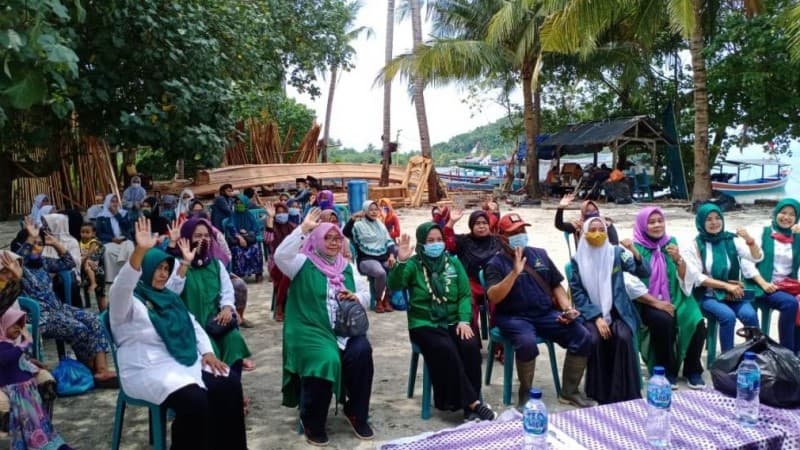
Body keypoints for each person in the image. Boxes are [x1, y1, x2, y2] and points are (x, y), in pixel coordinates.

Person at [109, 217, 247, 450]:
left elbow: (193, 325)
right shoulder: (128, 302)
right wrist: (140, 253)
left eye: (166, 269)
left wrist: (207, 352)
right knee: (195, 401)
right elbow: (122, 285)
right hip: (146, 368)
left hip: (180, 361)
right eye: (157, 269)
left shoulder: (169, 298)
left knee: (229, 383)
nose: (163, 274)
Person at [274, 209, 375, 446]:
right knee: (326, 359)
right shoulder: (301, 263)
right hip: (310, 329)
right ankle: (313, 421)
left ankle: (356, 412)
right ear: (317, 240)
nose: (333, 243)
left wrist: (358, 298)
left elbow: (367, 293)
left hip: (343, 330)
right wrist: (303, 229)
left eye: (337, 238)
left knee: (362, 352)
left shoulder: (347, 267)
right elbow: (280, 256)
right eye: (327, 238)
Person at [484, 213, 596, 408]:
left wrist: (567, 308)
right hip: (514, 317)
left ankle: (569, 392)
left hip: (545, 314)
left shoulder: (540, 254)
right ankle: (525, 393)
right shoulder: (495, 263)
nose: (520, 235)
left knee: (582, 335)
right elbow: (493, 296)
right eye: (514, 233)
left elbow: (556, 285)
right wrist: (514, 273)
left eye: (522, 230)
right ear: (502, 237)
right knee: (527, 343)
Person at [388, 222, 497, 421]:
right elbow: (395, 284)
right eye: (430, 241)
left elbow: (465, 294)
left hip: (454, 321)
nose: (436, 244)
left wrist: (464, 320)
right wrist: (401, 262)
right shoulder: (413, 264)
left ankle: (468, 408)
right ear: (422, 243)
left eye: (439, 240)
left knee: (470, 345)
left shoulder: (453, 263)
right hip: (424, 323)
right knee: (445, 347)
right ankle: (473, 403)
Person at [10, 218, 116, 384]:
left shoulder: (43, 263)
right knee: (79, 329)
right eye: (33, 244)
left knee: (93, 320)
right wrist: (31, 238)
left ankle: (101, 370)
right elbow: (19, 257)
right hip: (40, 315)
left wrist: (56, 244)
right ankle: (89, 369)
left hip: (57, 308)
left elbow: (69, 263)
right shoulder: (18, 267)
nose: (37, 247)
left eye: (40, 244)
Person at [569, 218, 649, 404]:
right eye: (592, 229)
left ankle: (624, 392)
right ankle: (600, 392)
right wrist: (596, 317)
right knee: (595, 338)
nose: (597, 233)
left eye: (601, 229)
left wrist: (634, 251)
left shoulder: (616, 253)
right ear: (584, 233)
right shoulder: (577, 260)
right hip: (591, 312)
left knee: (622, 336)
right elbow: (578, 294)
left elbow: (644, 272)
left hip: (617, 310)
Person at [632, 207, 707, 388]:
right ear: (643, 225)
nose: (657, 225)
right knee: (663, 321)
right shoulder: (635, 248)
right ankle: (665, 370)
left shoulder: (671, 243)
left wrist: (678, 259)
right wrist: (657, 303)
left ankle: (692, 369)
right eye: (651, 222)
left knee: (696, 320)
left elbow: (684, 276)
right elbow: (632, 284)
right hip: (647, 301)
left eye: (660, 221)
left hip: (675, 295)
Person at [169, 218, 253, 372]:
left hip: (215, 322)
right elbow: (171, 294)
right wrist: (185, 264)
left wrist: (227, 308)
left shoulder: (215, 264)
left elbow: (227, 291)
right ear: (187, 238)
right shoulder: (176, 264)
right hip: (192, 325)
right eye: (198, 236)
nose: (203, 240)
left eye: (206, 236)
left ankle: (234, 392)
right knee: (210, 352)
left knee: (234, 340)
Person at [687, 203, 762, 353]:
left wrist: (750, 241)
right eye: (709, 219)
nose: (714, 222)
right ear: (701, 222)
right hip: (707, 295)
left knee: (750, 315)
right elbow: (697, 277)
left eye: (717, 218)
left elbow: (756, 257)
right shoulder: (695, 244)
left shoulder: (730, 240)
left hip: (732, 294)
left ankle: (756, 355)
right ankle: (727, 359)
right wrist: (726, 285)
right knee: (727, 316)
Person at [0, 307, 72, 450]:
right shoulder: (2, 345)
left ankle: (51, 443)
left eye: (20, 325)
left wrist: (31, 362)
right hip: (17, 393)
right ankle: (40, 445)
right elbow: (5, 359)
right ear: (3, 325)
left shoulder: (10, 344)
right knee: (30, 422)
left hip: (26, 391)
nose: (18, 328)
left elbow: (20, 362)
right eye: (13, 324)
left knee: (39, 419)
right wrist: (23, 345)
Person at [742, 199, 800, 353]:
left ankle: (796, 349)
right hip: (765, 285)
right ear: (776, 213)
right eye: (783, 212)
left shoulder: (796, 238)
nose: (786, 217)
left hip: (788, 285)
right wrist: (763, 283)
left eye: (792, 214)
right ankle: (787, 352)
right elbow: (747, 262)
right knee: (790, 304)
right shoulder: (764, 232)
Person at [443, 209, 503, 336]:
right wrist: (451, 222)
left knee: (500, 306)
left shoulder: (498, 241)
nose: (481, 226)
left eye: (484, 223)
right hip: (471, 283)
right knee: (468, 305)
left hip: (494, 283)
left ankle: (499, 346)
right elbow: (446, 242)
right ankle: (471, 341)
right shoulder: (463, 241)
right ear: (471, 226)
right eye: (477, 223)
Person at [347, 200, 396, 313]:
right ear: (365, 211)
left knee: (395, 269)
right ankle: (378, 299)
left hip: (383, 257)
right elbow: (346, 232)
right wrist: (353, 219)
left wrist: (392, 255)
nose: (374, 212)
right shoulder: (358, 225)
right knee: (380, 272)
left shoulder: (380, 225)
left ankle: (387, 299)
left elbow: (389, 241)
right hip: (366, 259)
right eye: (371, 210)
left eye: (376, 209)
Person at [264, 202, 296, 322]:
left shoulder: (292, 227)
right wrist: (270, 218)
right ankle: (279, 306)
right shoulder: (272, 228)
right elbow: (267, 240)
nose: (281, 215)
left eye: (284, 212)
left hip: (291, 259)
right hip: (275, 262)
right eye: (279, 212)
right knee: (285, 276)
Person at [95, 193, 135, 283]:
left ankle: (129, 276)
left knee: (130, 247)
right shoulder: (101, 217)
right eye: (112, 202)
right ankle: (111, 278)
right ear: (107, 203)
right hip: (110, 241)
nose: (115, 204)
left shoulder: (123, 213)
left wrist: (117, 214)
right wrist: (112, 239)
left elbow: (128, 227)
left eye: (116, 202)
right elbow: (99, 233)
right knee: (107, 251)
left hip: (125, 240)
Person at [555, 192, 619, 246]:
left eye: (594, 210)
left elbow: (615, 244)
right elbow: (559, 225)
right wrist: (561, 207)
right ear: (583, 213)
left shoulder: (606, 224)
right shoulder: (578, 226)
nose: (592, 213)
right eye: (588, 211)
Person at [225, 195, 264, 282]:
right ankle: (238, 274)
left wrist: (246, 234)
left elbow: (255, 230)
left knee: (256, 247)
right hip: (237, 241)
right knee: (236, 250)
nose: (239, 205)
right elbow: (230, 228)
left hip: (249, 239)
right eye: (237, 203)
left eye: (241, 203)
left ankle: (258, 272)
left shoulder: (249, 216)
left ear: (246, 204)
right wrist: (239, 237)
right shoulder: (233, 215)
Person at [79, 222, 106, 310]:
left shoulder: (95, 242)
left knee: (100, 294)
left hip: (96, 270)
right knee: (86, 292)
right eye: (83, 232)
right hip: (84, 271)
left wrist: (84, 258)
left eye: (87, 232)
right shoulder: (80, 242)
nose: (84, 234)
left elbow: (91, 253)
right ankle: (88, 309)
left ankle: (103, 313)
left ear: (93, 233)